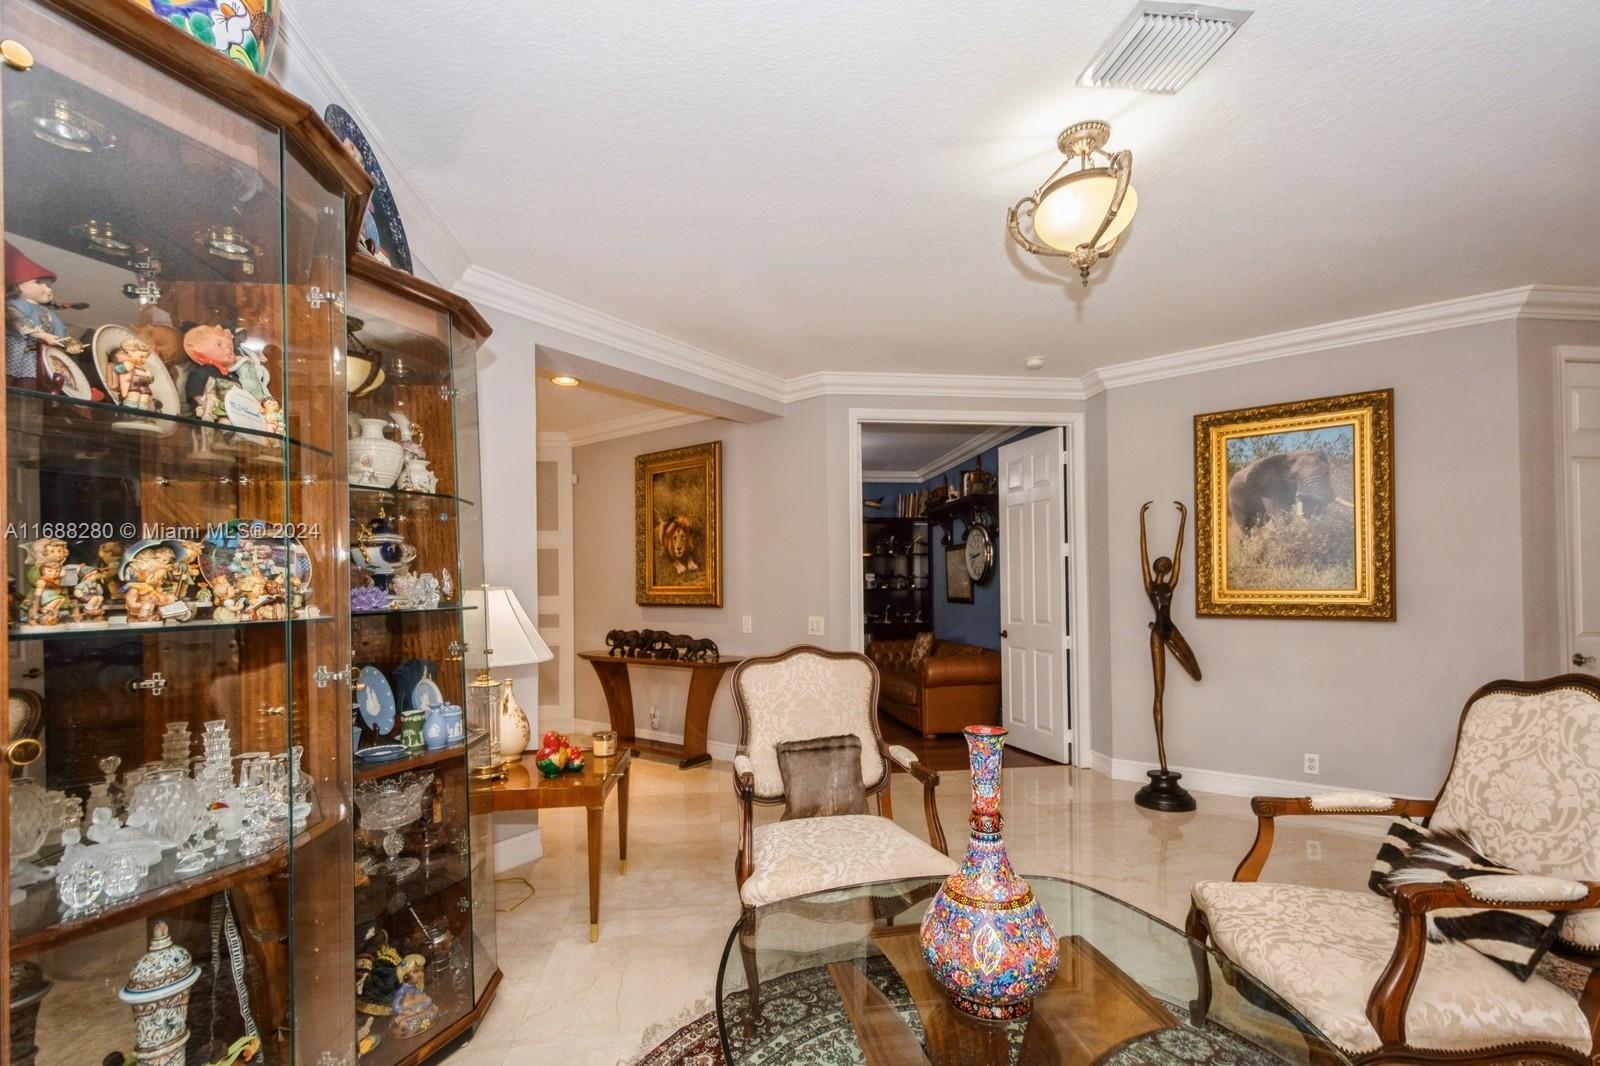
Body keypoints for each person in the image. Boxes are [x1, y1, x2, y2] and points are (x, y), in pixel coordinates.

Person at [1140, 501, 1202, 774]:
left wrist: (1184, 521)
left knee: (1196, 672)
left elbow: (1179, 553)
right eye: (1162, 564)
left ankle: (1164, 762)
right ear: (1157, 567)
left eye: (1167, 565)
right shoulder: (1150, 586)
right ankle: (1162, 758)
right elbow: (1143, 554)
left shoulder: (1171, 585)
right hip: (1157, 635)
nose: (1165, 566)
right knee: (1159, 693)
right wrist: (1142, 522)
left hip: (1171, 629)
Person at [5, 242, 84, 388]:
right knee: (9, 378)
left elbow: (60, 332)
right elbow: (16, 318)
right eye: (42, 284)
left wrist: (70, 344)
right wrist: (42, 335)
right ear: (20, 285)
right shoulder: (15, 303)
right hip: (17, 349)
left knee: (34, 381)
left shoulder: (47, 312)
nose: (49, 290)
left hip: (38, 355)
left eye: (49, 286)